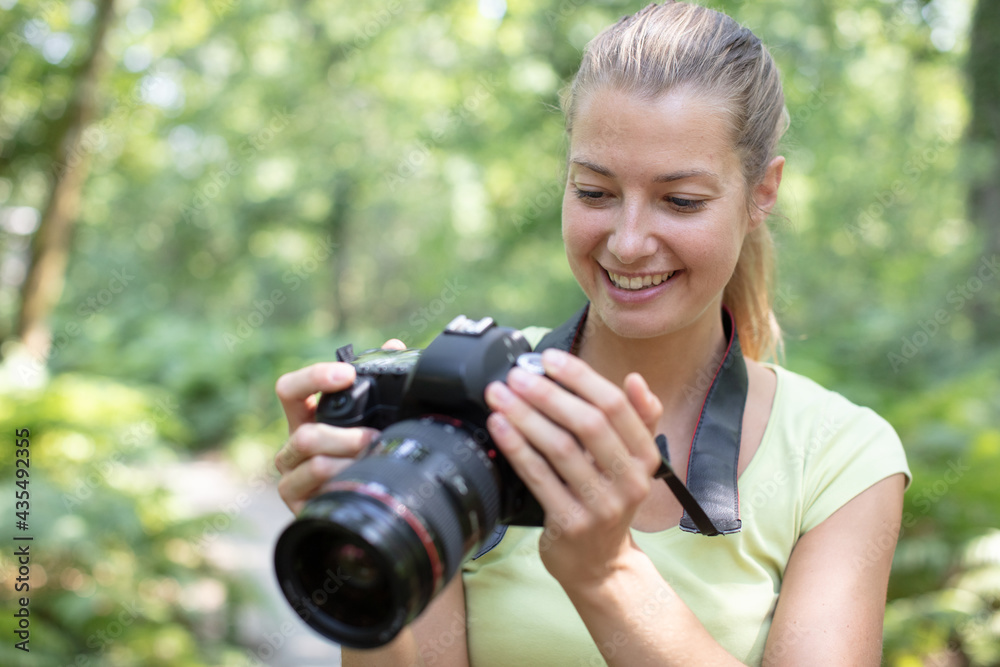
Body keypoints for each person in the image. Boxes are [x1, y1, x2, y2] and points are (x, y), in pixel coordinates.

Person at [273, 2, 911, 665]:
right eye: (595, 192)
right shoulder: (476, 403)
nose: (629, 242)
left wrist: (606, 574)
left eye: (681, 200)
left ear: (762, 193)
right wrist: (367, 551)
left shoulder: (840, 458)